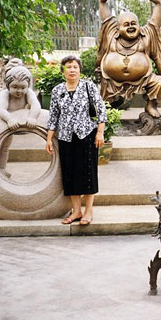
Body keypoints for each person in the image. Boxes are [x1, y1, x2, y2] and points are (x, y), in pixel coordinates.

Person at [46, 55, 107, 225]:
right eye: (68, 67)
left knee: (88, 174)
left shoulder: (89, 86)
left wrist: (100, 132)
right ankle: (76, 211)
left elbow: (101, 109)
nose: (72, 70)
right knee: (70, 174)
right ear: (63, 71)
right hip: (65, 137)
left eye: (75, 67)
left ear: (80, 70)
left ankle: (88, 212)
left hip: (86, 135)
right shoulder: (57, 90)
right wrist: (49, 139)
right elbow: (53, 116)